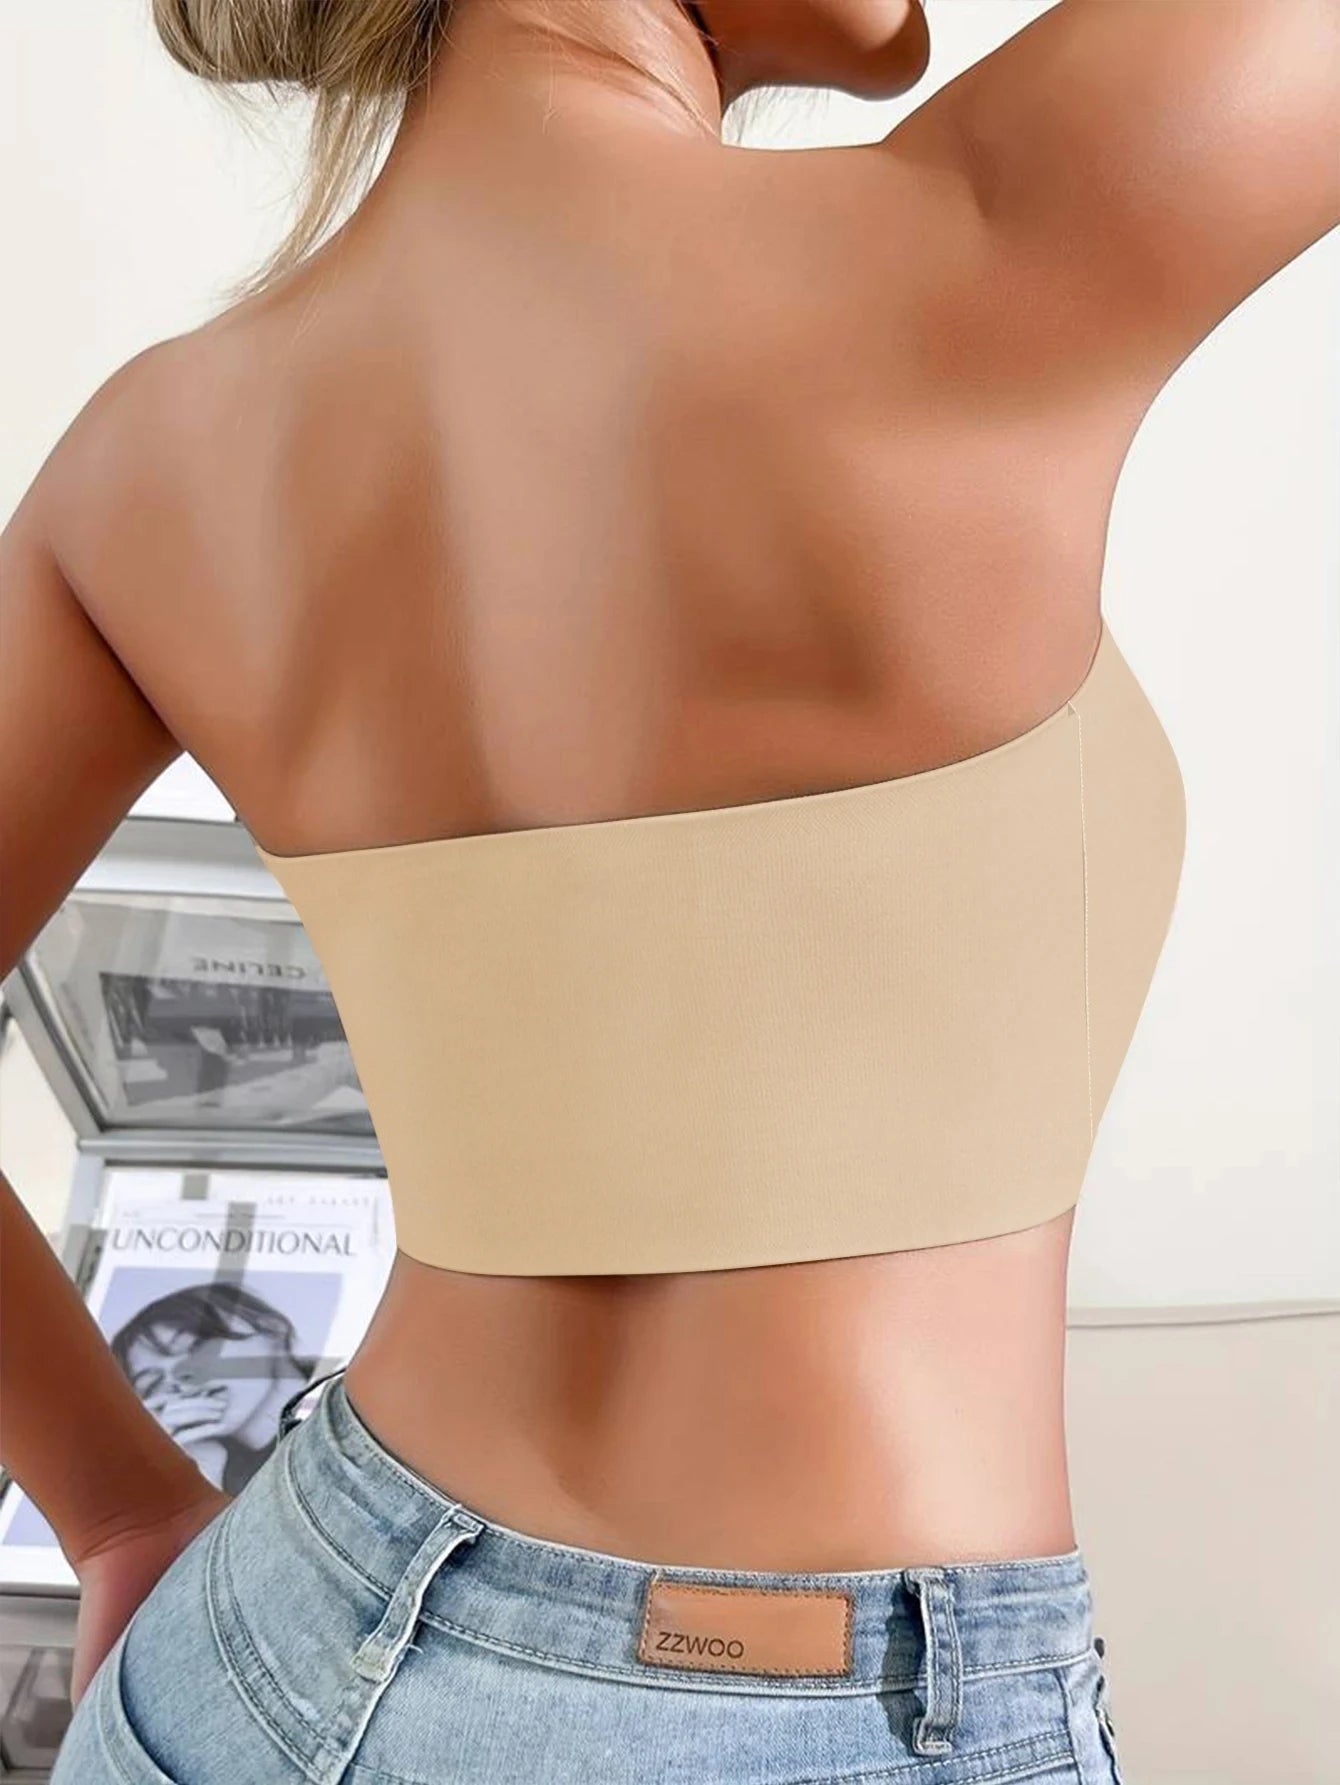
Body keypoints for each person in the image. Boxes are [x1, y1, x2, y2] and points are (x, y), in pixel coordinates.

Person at [1, 1, 1335, 1778]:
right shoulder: (980, 239)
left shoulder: (141, 463)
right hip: (828, 1700)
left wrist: (114, 1507)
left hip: (262, 1656)